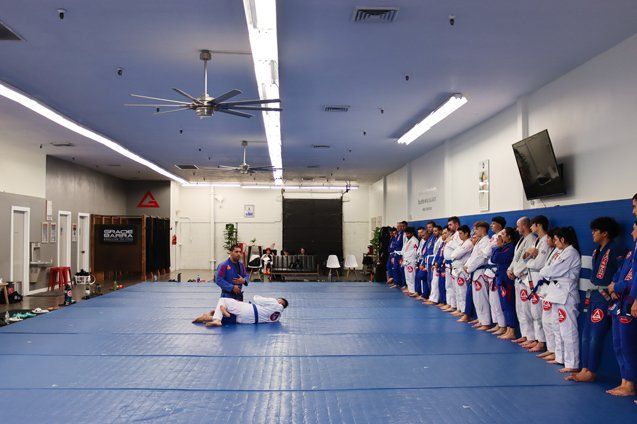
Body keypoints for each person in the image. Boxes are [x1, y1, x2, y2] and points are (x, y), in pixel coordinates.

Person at [567, 217, 623, 383]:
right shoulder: (597, 250)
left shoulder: (617, 249)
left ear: (604, 233)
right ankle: (585, 368)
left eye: (595, 231)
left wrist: (615, 286)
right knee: (586, 334)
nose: (592, 234)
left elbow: (622, 271)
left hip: (605, 297)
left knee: (595, 336)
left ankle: (591, 371)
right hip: (594, 295)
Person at [539, 226, 582, 374]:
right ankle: (560, 357)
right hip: (556, 293)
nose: (555, 242)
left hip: (566, 295)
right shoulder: (562, 252)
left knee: (568, 330)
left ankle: (572, 363)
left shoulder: (570, 252)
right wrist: (547, 272)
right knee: (556, 326)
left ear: (563, 240)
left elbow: (550, 271)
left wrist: (547, 272)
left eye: (556, 240)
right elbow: (546, 270)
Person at [607, 219, 637, 397]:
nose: (631, 233)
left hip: (628, 299)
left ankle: (630, 383)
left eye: (634, 229)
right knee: (618, 344)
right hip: (621, 301)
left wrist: (618, 288)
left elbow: (634, 280)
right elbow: (621, 272)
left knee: (627, 345)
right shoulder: (632, 251)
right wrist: (613, 285)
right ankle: (625, 380)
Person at [508, 217, 538, 346]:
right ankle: (525, 335)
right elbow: (516, 259)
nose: (516, 228)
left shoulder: (531, 239)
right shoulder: (522, 240)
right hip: (518, 279)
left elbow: (527, 261)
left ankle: (531, 337)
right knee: (520, 309)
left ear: (524, 226)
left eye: (518, 226)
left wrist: (516, 272)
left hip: (525, 279)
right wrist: (510, 269)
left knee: (527, 310)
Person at [524, 215, 551, 353]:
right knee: (533, 311)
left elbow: (539, 263)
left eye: (532, 225)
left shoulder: (546, 241)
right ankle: (537, 339)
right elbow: (529, 257)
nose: (530, 227)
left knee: (538, 312)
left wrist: (528, 261)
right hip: (531, 278)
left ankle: (542, 342)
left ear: (538, 225)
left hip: (538, 279)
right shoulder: (537, 240)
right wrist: (529, 259)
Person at [492, 227, 519, 339]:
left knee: (508, 304)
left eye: (503, 234)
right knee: (503, 305)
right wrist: (498, 247)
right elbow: (493, 258)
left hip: (506, 280)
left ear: (508, 236)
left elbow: (497, 258)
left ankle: (512, 330)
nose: (500, 236)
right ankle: (508, 328)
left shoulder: (510, 247)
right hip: (500, 278)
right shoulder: (503, 247)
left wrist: (498, 247)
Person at [537, 228, 560, 362]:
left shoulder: (561, 252)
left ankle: (556, 352)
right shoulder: (553, 251)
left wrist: (544, 272)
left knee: (553, 322)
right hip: (547, 288)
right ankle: (551, 349)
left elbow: (549, 271)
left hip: (554, 288)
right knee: (546, 321)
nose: (547, 240)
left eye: (550, 238)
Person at [465, 221, 492, 330]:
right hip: (474, 271)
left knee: (482, 298)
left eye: (476, 229)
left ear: (482, 229)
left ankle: (486, 322)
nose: (475, 231)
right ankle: (481, 319)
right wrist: (466, 265)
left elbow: (481, 258)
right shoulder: (480, 241)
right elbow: (473, 256)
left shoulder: (486, 241)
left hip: (479, 272)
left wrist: (470, 268)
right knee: (476, 298)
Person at [193, 295, 289, 326]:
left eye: (278, 300)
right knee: (232, 306)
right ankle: (211, 316)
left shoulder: (274, 302)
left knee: (223, 300)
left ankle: (217, 319)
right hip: (248, 321)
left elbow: (257, 299)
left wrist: (268, 299)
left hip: (249, 310)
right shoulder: (277, 318)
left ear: (280, 302)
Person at [486, 216, 506, 334]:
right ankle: (498, 323)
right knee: (492, 301)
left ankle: (503, 325)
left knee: (497, 301)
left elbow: (488, 252)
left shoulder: (501, 236)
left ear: (499, 225)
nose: (491, 226)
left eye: (493, 224)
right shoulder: (493, 237)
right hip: (490, 271)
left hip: (496, 270)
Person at [450, 225, 473, 321]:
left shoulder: (468, 243)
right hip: (457, 270)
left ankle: (464, 312)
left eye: (461, 233)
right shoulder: (462, 243)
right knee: (458, 291)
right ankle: (460, 309)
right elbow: (453, 255)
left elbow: (456, 254)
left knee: (463, 292)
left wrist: (454, 255)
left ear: (466, 233)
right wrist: (454, 255)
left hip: (462, 271)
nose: (459, 235)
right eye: (458, 233)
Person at [442, 217, 462, 312]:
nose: (449, 227)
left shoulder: (459, 235)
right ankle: (450, 304)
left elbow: (460, 248)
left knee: (455, 288)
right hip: (448, 263)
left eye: (451, 224)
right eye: (449, 225)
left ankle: (456, 307)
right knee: (449, 285)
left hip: (455, 263)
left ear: (456, 224)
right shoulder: (453, 235)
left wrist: (449, 242)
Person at [428, 226, 446, 305]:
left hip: (442, 264)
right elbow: (438, 253)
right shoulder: (441, 242)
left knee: (438, 284)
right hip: (437, 262)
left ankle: (437, 300)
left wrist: (438, 263)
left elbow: (442, 255)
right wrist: (435, 262)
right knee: (434, 282)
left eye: (444, 233)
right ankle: (433, 299)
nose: (443, 235)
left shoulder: (444, 242)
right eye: (443, 234)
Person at [401, 226, 420, 296]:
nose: (406, 235)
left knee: (411, 275)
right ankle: (409, 288)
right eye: (406, 233)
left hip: (411, 260)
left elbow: (415, 251)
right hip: (406, 260)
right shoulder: (407, 240)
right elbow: (404, 250)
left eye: (408, 234)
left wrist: (409, 259)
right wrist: (403, 257)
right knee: (407, 276)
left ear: (412, 233)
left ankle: (413, 290)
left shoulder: (415, 240)